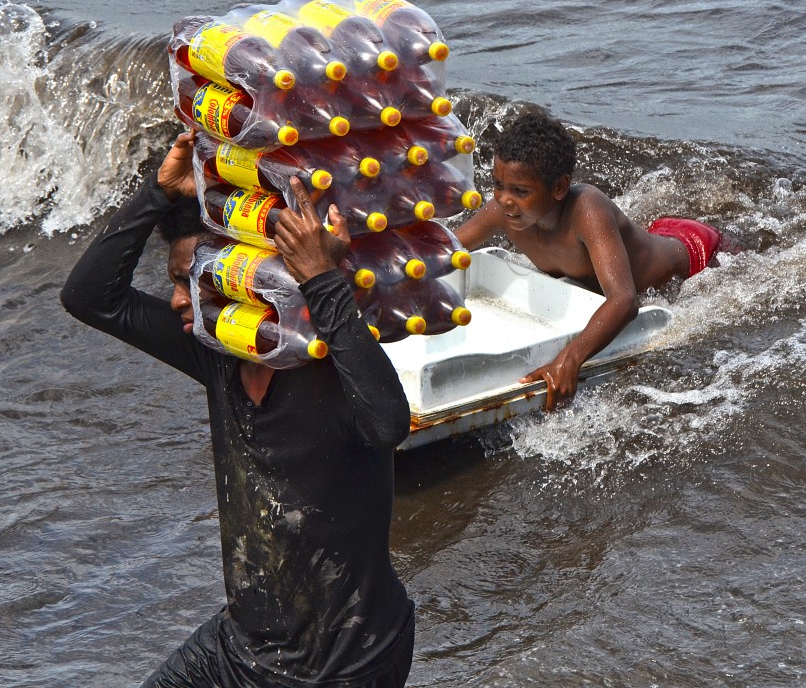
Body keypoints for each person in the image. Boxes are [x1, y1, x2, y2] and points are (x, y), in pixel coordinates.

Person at [61, 130, 415, 688]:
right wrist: (159, 192)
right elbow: (89, 297)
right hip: (247, 646)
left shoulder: (327, 358)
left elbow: (390, 423)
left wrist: (323, 282)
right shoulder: (217, 356)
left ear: (246, 280)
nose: (177, 300)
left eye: (190, 282)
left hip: (346, 662)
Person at [455, 110, 727, 410]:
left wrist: (569, 359)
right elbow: (445, 248)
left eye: (520, 191)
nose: (505, 199)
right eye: (498, 185)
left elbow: (624, 300)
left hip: (696, 252)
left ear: (559, 188)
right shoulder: (503, 212)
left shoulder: (587, 210)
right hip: (653, 237)